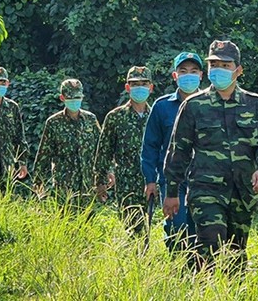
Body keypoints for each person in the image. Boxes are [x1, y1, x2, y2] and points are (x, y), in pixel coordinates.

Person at [163, 40, 258, 268]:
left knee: (235, 255)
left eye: (225, 65)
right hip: (206, 191)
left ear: (238, 70)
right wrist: (172, 191)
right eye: (214, 64)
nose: (218, 69)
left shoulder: (254, 104)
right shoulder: (194, 105)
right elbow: (179, 150)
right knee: (209, 247)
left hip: (242, 191)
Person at [141, 52, 202, 251]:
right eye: (183, 71)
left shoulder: (211, 104)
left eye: (193, 71)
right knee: (177, 231)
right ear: (175, 76)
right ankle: (177, 276)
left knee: (203, 234)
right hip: (172, 179)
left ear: (202, 75)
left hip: (204, 179)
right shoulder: (162, 106)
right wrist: (150, 179)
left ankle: (199, 277)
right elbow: (150, 145)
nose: (188, 75)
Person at [95, 66, 153, 227]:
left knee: (154, 228)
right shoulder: (115, 117)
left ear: (151, 87)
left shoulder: (157, 114)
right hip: (126, 183)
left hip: (153, 182)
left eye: (144, 83)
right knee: (130, 229)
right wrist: (100, 181)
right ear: (127, 87)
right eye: (135, 84)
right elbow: (104, 151)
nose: (139, 87)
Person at [34, 78, 101, 196]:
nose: (74, 101)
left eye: (77, 98)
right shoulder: (54, 122)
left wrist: (106, 174)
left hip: (88, 186)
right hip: (63, 185)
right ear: (62, 98)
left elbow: (101, 150)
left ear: (82, 97)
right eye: (70, 98)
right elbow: (44, 154)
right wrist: (39, 181)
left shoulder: (91, 119)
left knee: (89, 214)